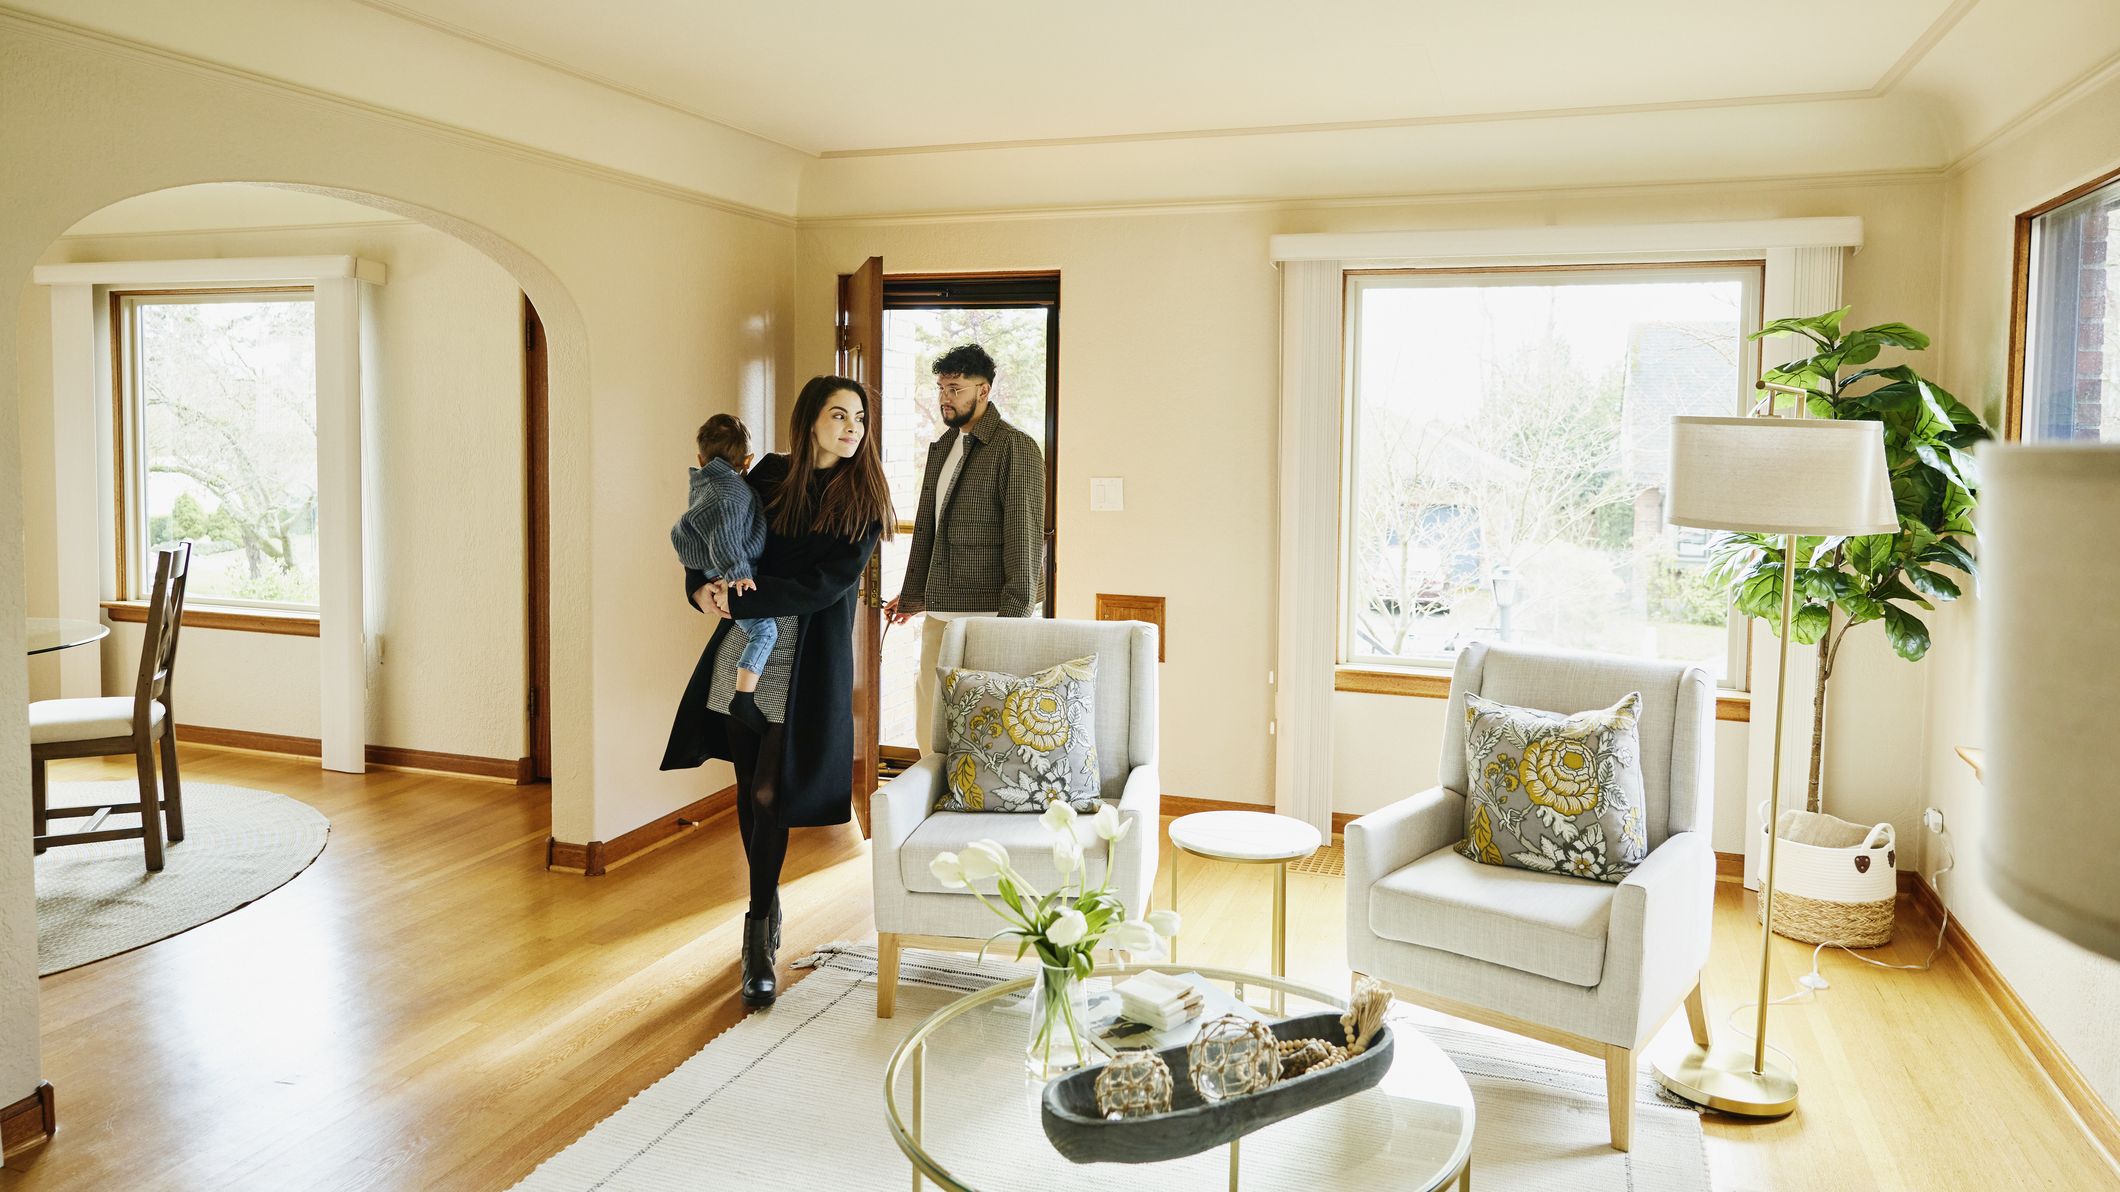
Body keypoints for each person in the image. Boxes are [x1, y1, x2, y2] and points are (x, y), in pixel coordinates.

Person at [662, 376, 893, 1008]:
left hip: (804, 658)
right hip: (742, 648)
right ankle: (765, 905)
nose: (852, 427)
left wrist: (745, 598)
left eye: (860, 418)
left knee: (770, 787)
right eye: (839, 414)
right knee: (748, 783)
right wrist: (700, 588)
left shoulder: (865, 498)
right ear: (809, 420)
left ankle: (757, 931)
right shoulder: (765, 476)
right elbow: (709, 527)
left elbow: (826, 583)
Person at [882, 343, 1047, 753]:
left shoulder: (1016, 447)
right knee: (931, 723)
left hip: (990, 616)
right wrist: (915, 595)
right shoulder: (943, 448)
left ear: (984, 390)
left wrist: (1011, 621)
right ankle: (930, 808)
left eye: (955, 388)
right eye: (940, 388)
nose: (945, 398)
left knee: (985, 729)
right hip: (941, 611)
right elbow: (931, 532)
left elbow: (1024, 541)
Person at [669, 413, 773, 734]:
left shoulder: (703, 483)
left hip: (717, 566)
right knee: (765, 631)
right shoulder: (729, 491)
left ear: (700, 458)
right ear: (748, 460)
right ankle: (743, 697)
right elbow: (725, 536)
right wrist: (737, 574)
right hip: (728, 567)